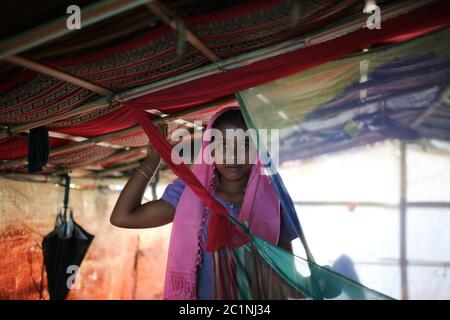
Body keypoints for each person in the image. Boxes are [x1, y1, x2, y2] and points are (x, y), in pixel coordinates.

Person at [110, 106, 299, 299]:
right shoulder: (189, 191)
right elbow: (123, 217)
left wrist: (312, 285)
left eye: (245, 145)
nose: (234, 155)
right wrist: (152, 161)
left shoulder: (276, 200)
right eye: (223, 145)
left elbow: (285, 278)